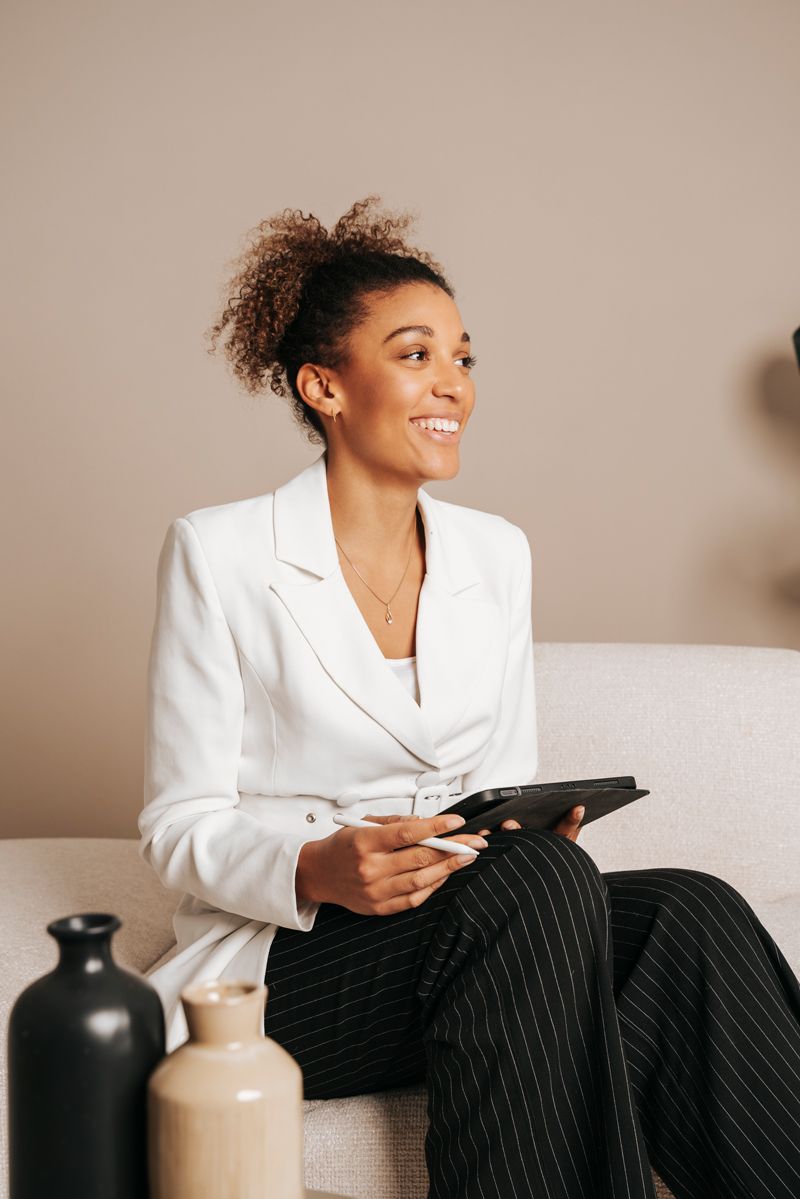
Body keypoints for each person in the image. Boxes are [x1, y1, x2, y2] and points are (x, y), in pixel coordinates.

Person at [140, 195, 800, 1199]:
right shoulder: (219, 552)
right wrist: (318, 864)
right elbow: (176, 825)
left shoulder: (493, 553)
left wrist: (528, 834)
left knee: (686, 911)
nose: (451, 382)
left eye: (462, 356)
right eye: (414, 355)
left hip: (468, 925)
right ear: (324, 384)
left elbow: (495, 785)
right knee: (535, 887)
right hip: (284, 962)